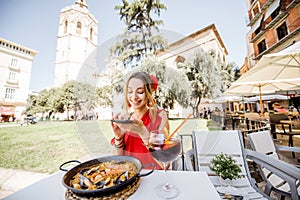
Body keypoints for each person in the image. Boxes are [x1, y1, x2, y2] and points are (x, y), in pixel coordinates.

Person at [111, 72, 170, 169]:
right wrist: (118, 138)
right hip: (131, 177)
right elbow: (117, 162)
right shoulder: (126, 120)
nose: (134, 97)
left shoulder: (160, 116)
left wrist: (142, 132)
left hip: (155, 177)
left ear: (148, 93)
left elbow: (165, 163)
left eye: (140, 92)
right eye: (130, 91)